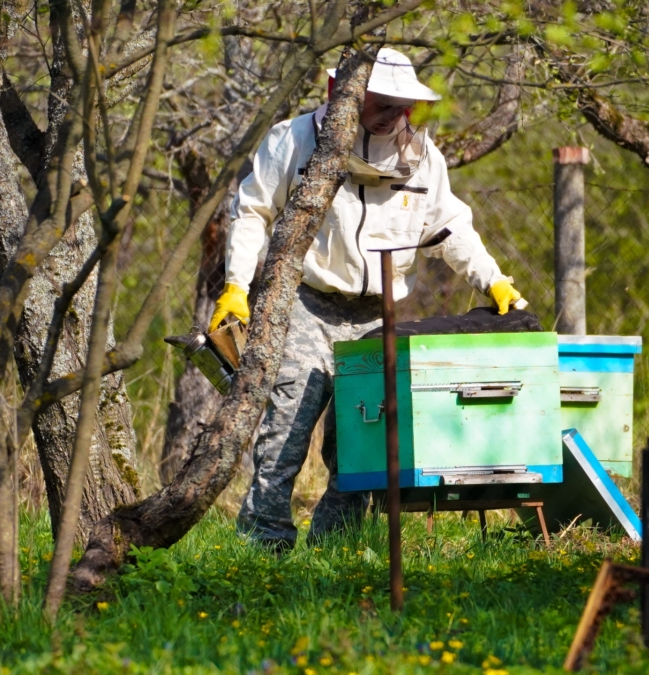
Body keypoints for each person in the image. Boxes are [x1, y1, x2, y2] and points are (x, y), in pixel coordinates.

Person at [209, 47, 524, 552]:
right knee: (284, 434)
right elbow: (251, 212)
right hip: (305, 303)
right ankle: (262, 547)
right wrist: (236, 288)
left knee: (362, 442)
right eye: (383, 103)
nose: (395, 116)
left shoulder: (424, 157)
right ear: (344, 93)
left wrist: (493, 280)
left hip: (380, 315)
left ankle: (337, 549)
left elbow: (449, 227)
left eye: (403, 105)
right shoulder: (292, 139)